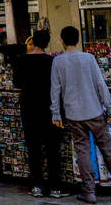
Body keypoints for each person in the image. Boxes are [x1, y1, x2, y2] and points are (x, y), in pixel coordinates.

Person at [51, 26, 111, 203]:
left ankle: (89, 191)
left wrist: (56, 114)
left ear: (62, 40)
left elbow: (55, 90)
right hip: (95, 111)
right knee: (108, 150)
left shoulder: (58, 61)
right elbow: (100, 85)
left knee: (82, 151)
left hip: (74, 114)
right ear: (78, 39)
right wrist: (110, 109)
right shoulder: (89, 58)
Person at [13, 30, 68, 198]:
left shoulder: (21, 60)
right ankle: (55, 187)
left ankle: (36, 185)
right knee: (52, 149)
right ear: (47, 44)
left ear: (33, 42)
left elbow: (17, 83)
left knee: (34, 148)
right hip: (50, 109)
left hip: (29, 109)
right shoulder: (53, 61)